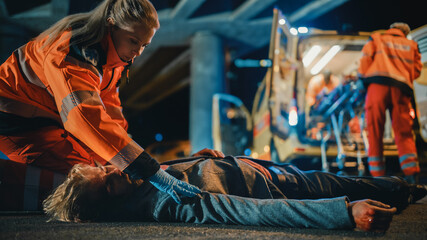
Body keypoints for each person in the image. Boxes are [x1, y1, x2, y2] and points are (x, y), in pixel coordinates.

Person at [0, 0, 200, 204]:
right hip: (17, 123)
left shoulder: (113, 57)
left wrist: (128, 159)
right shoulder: (74, 51)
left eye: (144, 45)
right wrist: (148, 170)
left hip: (46, 115)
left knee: (110, 171)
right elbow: (84, 117)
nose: (138, 52)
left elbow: (110, 108)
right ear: (111, 24)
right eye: (133, 41)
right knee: (88, 180)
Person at [43, 152, 427, 232]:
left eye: (106, 166)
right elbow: (244, 212)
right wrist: (342, 215)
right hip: (272, 186)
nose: (116, 169)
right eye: (108, 178)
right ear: (112, 202)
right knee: (340, 187)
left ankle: (404, 190)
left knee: (340, 179)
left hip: (253, 166)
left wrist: (199, 157)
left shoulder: (142, 181)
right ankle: (404, 191)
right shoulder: (165, 204)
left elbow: (169, 169)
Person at [358, 22, 423, 182]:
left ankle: (378, 176)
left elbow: (365, 60)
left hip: (377, 87)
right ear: (405, 33)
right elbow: (416, 71)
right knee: (404, 131)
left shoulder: (377, 38)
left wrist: (362, 78)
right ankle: (411, 174)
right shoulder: (412, 44)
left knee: (375, 130)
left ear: (391, 29)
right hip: (401, 89)